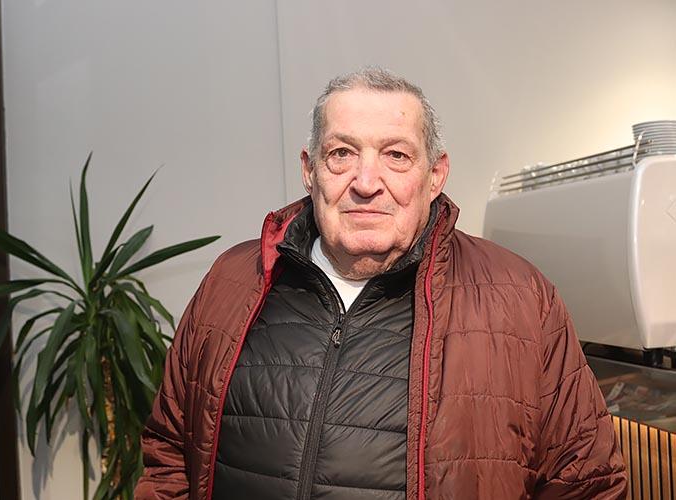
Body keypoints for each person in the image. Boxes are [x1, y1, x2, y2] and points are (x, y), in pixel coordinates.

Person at [135, 68, 626, 500]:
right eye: (342, 153)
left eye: (395, 155)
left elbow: (587, 483)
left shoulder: (521, 299)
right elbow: (170, 454)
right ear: (309, 170)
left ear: (435, 175)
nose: (367, 182)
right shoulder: (233, 280)